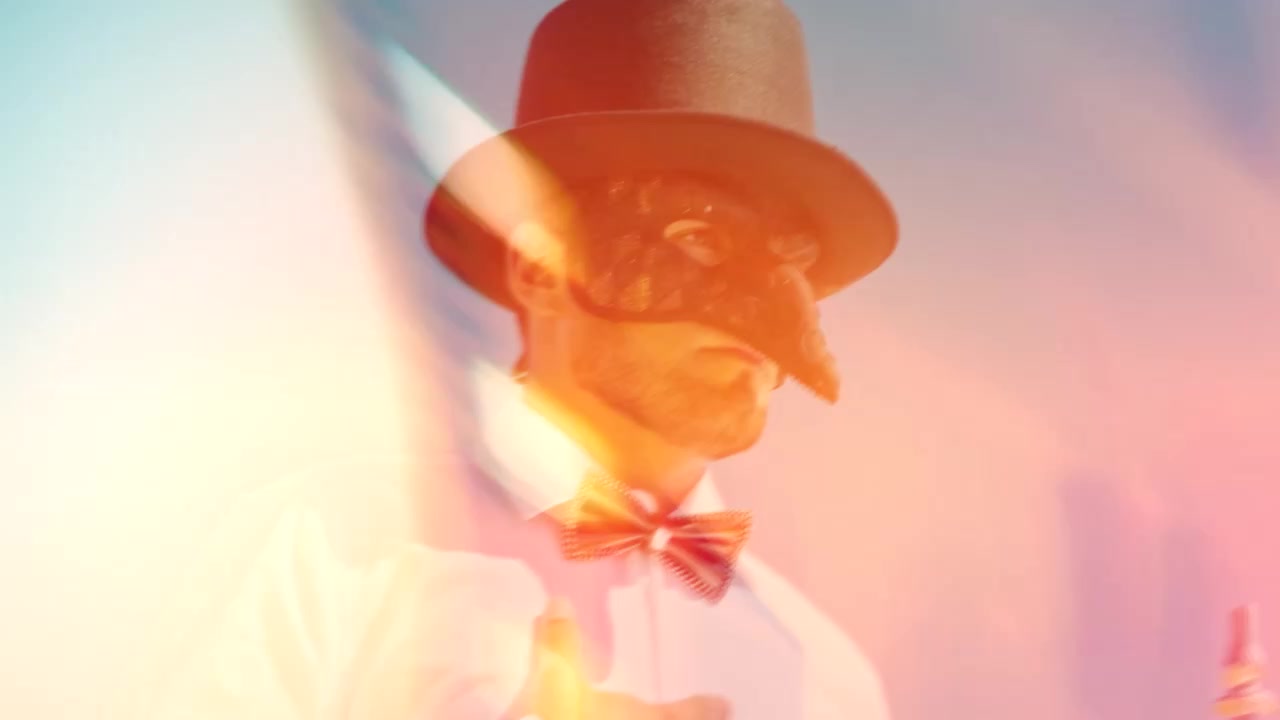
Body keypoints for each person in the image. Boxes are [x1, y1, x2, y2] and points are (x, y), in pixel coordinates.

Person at [130, 0, 899, 717]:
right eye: (699, 239)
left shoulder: (826, 680)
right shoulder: (332, 548)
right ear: (540, 267)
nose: (768, 312)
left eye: (794, 267)